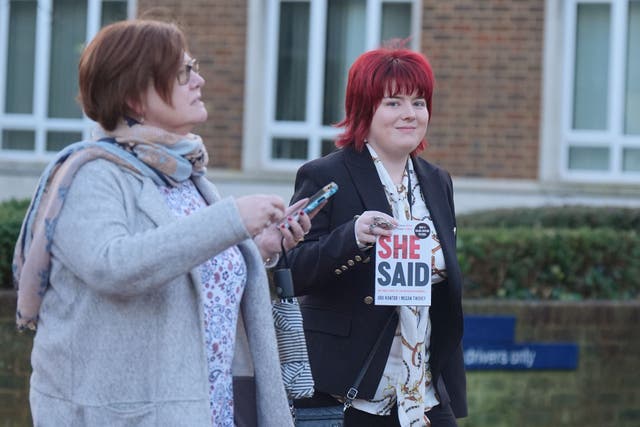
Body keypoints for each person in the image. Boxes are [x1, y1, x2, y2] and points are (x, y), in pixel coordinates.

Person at [12, 19, 309, 427]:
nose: (199, 81)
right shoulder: (92, 174)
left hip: (213, 409)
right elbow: (112, 265)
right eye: (183, 72)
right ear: (135, 97)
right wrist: (231, 219)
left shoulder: (185, 174)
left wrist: (258, 247)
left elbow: (186, 268)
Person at [286, 46, 467, 426]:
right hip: (350, 391)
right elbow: (292, 269)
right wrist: (351, 237)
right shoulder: (324, 174)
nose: (410, 114)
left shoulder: (437, 182)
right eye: (393, 102)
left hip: (424, 393)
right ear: (364, 109)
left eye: (419, 102)